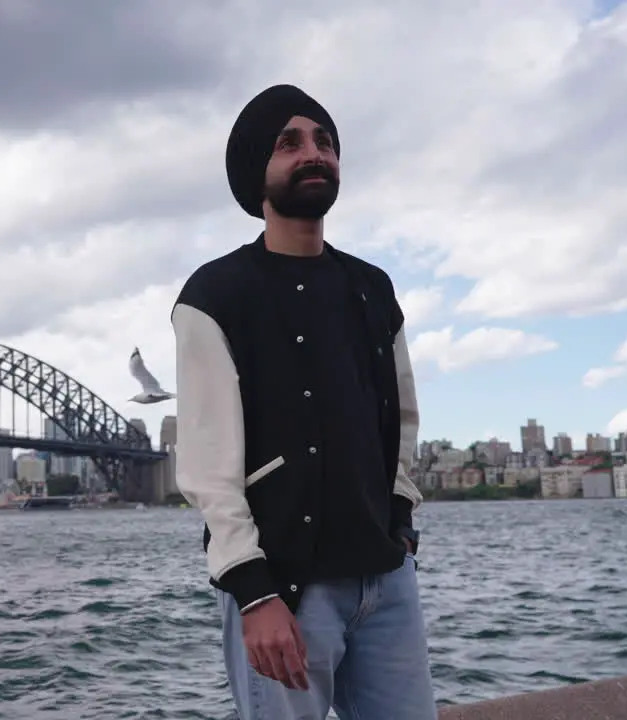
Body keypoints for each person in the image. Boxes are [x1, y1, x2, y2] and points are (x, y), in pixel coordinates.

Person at [171, 84, 436, 719]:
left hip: (384, 578)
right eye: (289, 143)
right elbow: (208, 465)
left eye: (324, 142)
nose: (312, 153)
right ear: (256, 170)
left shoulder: (373, 288)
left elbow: (400, 420)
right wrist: (254, 594)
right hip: (285, 591)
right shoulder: (215, 295)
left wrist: (399, 521)